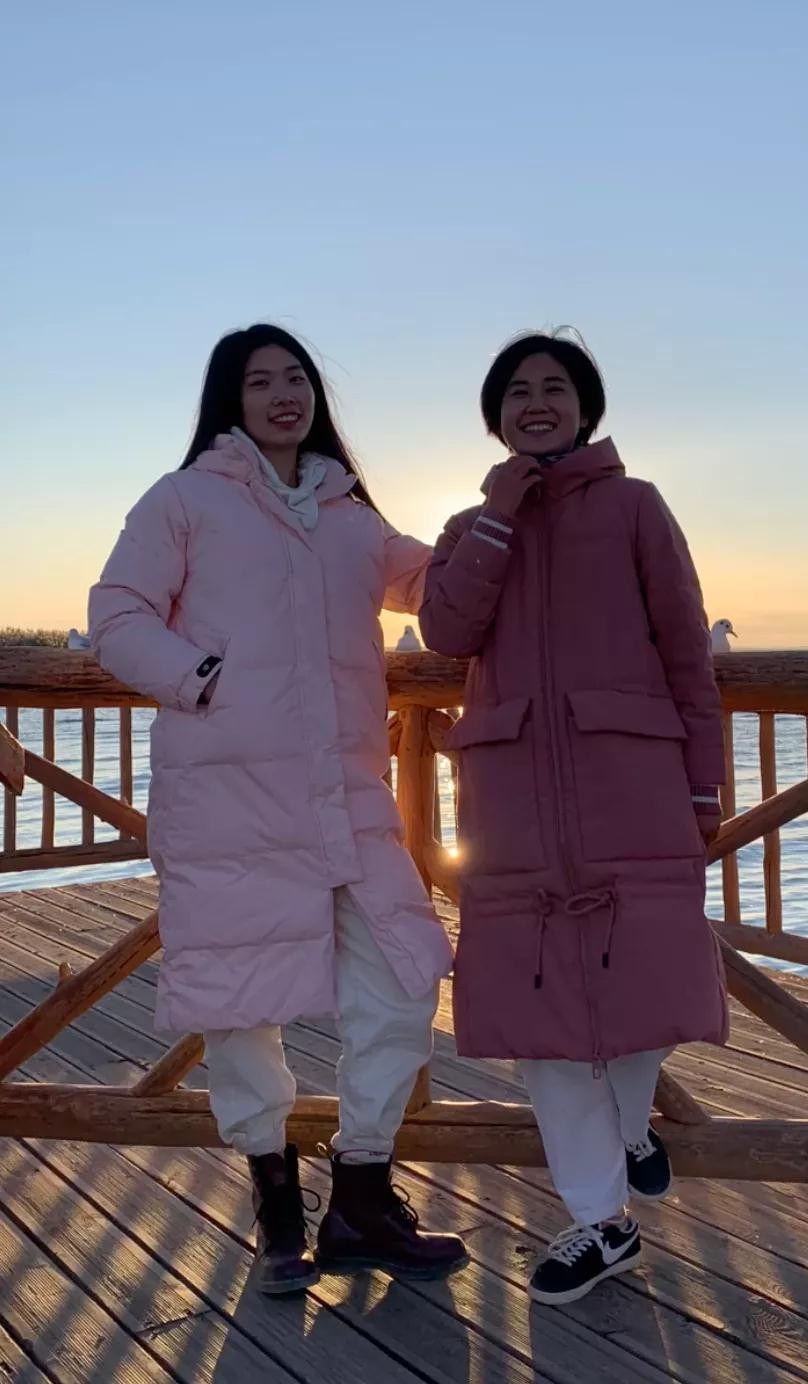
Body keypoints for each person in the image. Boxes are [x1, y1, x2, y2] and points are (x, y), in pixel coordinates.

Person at [89, 323, 466, 1295]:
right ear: (232, 399)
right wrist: (205, 680)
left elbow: (435, 583)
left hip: (346, 798)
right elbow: (117, 613)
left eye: (296, 376)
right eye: (261, 381)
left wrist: (506, 521)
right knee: (238, 1002)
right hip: (228, 796)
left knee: (404, 977)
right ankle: (276, 1207)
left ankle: (361, 1191)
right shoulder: (183, 500)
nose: (283, 393)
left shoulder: (348, 514)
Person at [420, 330, 727, 1306]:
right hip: (511, 804)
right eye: (518, 391)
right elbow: (446, 631)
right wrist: (500, 515)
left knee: (644, 988)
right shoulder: (470, 524)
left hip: (631, 787)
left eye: (555, 387)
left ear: (586, 408)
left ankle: (632, 1129)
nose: (537, 402)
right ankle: (602, 1220)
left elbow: (686, 651)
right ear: (496, 416)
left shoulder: (637, 507)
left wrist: (704, 786)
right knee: (543, 1019)